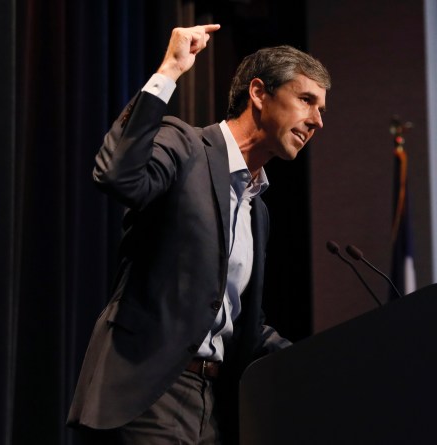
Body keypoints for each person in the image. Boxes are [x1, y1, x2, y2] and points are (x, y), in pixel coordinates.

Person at [67, 24, 330, 444]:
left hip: (209, 406)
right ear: (259, 93)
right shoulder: (186, 146)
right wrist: (169, 70)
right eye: (306, 100)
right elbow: (117, 175)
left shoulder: (258, 209)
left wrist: (318, 360)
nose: (317, 120)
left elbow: (239, 319)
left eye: (321, 108)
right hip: (146, 391)